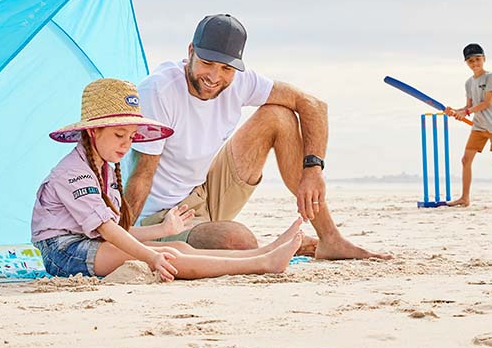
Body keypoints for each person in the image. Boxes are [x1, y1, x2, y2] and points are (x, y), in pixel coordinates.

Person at [125, 14, 390, 260]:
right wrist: (120, 237)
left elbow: (313, 104)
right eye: (206, 64)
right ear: (191, 52)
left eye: (226, 68)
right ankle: (275, 248)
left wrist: (313, 169)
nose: (214, 77)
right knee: (238, 240)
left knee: (278, 116)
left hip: (202, 192)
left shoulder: (238, 81)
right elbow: (141, 175)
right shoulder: (159, 91)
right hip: (160, 216)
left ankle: (330, 239)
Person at [31, 78, 304, 281]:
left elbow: (117, 229)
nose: (126, 145)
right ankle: (261, 263)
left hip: (91, 244)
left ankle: (263, 253)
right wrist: (151, 255)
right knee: (168, 256)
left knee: (178, 245)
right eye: (118, 135)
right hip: (66, 253)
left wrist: (163, 230)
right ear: (93, 132)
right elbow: (108, 231)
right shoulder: (73, 173)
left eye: (130, 137)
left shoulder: (103, 169)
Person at [445, 43, 492, 207]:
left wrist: (466, 112)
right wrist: (455, 111)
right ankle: (465, 198)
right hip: (478, 127)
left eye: (477, 59)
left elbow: (486, 103)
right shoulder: (468, 83)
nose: (475, 63)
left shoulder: (490, 77)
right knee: (465, 160)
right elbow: (468, 105)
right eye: (470, 61)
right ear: (467, 63)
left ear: (484, 59)